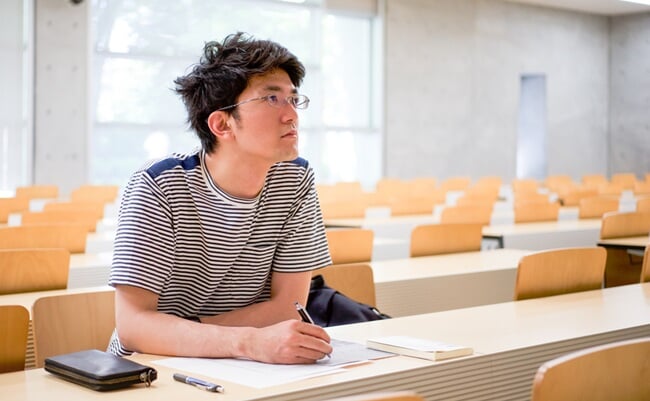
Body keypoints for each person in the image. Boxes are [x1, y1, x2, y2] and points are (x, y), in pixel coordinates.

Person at [107, 32, 333, 364]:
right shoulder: (159, 184)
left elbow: (288, 307)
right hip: (154, 365)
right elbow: (134, 328)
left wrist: (197, 335)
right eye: (272, 99)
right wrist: (248, 342)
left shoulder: (295, 179)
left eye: (293, 99)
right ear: (222, 124)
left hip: (249, 363)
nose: (292, 116)